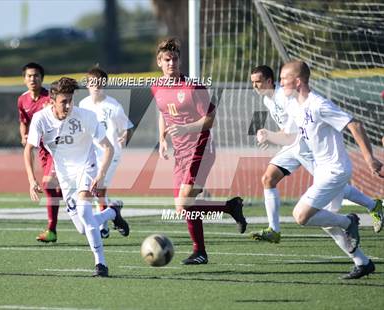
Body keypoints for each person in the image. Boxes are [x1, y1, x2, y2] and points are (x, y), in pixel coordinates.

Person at [258, 60, 383, 279]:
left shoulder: (318, 104)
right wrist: (269, 135)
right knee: (326, 221)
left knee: (301, 215)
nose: (280, 83)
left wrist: (370, 159)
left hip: (335, 170)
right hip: (323, 170)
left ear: (297, 82)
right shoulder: (296, 106)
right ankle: (362, 262)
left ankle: (350, 221)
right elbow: (290, 137)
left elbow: (355, 125)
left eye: (284, 79)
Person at [152, 37, 247, 265]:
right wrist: (162, 139)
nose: (172, 63)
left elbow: (210, 119)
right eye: (167, 59)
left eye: (175, 59)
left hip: (200, 149)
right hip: (180, 153)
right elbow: (163, 113)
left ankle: (202, 246)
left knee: (185, 203)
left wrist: (185, 128)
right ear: (159, 62)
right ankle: (222, 218)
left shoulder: (193, 86)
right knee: (182, 207)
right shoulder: (156, 86)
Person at [24, 77, 129, 277]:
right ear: (52, 100)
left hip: (86, 168)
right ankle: (112, 213)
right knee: (83, 227)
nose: (69, 105)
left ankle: (101, 264)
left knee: (83, 210)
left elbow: (108, 147)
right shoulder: (41, 119)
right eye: (64, 101)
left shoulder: (86, 116)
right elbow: (28, 149)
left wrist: (101, 173)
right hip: (65, 177)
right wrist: (31, 180)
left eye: (71, 100)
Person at [79, 65, 133, 239]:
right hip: (91, 154)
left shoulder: (113, 106)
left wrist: (124, 136)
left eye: (100, 83)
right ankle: (113, 210)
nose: (96, 86)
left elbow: (127, 127)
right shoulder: (83, 104)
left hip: (110, 154)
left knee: (99, 189)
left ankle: (103, 226)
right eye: (92, 82)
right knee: (95, 190)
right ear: (87, 84)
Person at [17, 62, 62, 243]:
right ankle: (52, 230)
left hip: (57, 147)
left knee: (48, 183)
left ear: (41, 78)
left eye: (36, 75)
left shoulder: (48, 98)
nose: (32, 79)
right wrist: (24, 135)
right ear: (24, 79)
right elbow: (23, 121)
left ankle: (104, 208)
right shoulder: (22, 100)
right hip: (42, 150)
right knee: (52, 190)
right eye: (29, 76)